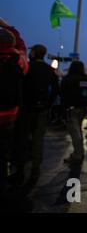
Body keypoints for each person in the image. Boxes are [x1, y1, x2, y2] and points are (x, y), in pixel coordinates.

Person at [10, 44, 58, 186]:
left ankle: (20, 171)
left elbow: (18, 86)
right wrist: (48, 104)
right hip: (42, 109)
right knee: (38, 140)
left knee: (22, 140)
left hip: (26, 110)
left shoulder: (27, 67)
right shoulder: (49, 70)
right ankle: (35, 171)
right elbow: (55, 89)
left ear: (34, 53)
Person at [0, 19, 28, 201]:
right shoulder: (19, 61)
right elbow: (22, 45)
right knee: (3, 152)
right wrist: (7, 26)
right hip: (9, 114)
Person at [61, 61, 87, 165]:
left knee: (75, 133)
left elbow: (62, 92)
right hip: (84, 108)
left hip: (71, 108)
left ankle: (77, 155)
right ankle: (80, 152)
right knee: (78, 130)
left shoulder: (68, 78)